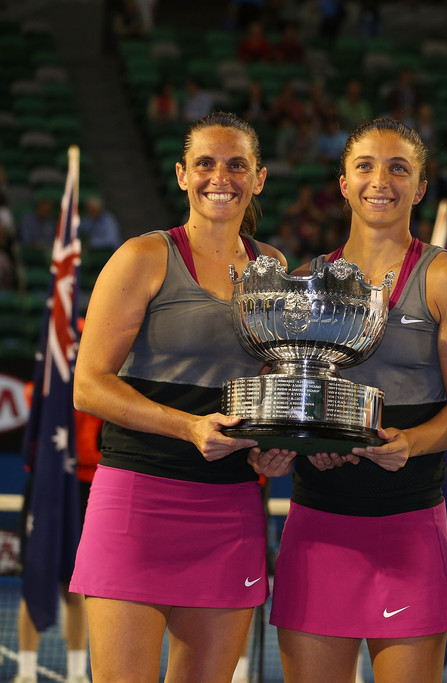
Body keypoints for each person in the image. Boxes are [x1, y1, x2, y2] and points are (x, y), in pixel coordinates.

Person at [69, 112, 296, 682]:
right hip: (137, 502)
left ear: (259, 178)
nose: (220, 177)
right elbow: (89, 385)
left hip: (230, 506)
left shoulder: (274, 268)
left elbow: (268, 384)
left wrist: (271, 447)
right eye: (205, 163)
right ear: (181, 175)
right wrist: (188, 426)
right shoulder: (142, 257)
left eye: (236, 164)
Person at [269, 118, 447, 683]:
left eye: (399, 168)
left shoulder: (446, 279)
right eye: (364, 165)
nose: (379, 180)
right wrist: (302, 445)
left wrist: (411, 443)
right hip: (318, 524)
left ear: (420, 187)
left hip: (409, 527)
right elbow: (293, 399)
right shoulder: (307, 281)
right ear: (343, 183)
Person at [14, 377, 102, 683]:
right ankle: (26, 672)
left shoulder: (99, 385)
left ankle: (77, 673)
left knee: (76, 586)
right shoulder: (45, 386)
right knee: (34, 581)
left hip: (86, 488)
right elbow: (30, 396)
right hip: (46, 484)